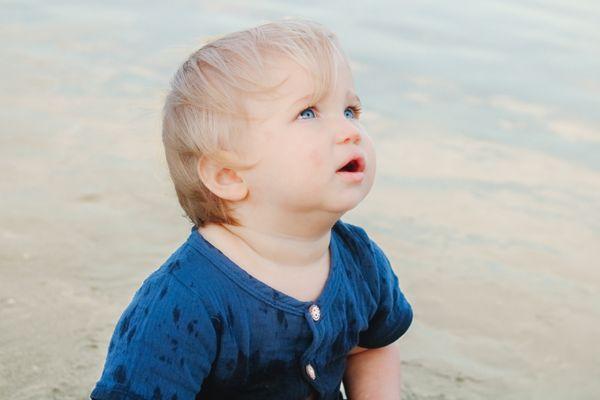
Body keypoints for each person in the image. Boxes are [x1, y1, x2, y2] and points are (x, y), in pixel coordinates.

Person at [90, 17, 413, 400]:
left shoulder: (360, 260)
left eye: (350, 110)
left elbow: (370, 347)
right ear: (228, 175)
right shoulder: (184, 302)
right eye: (308, 112)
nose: (351, 131)